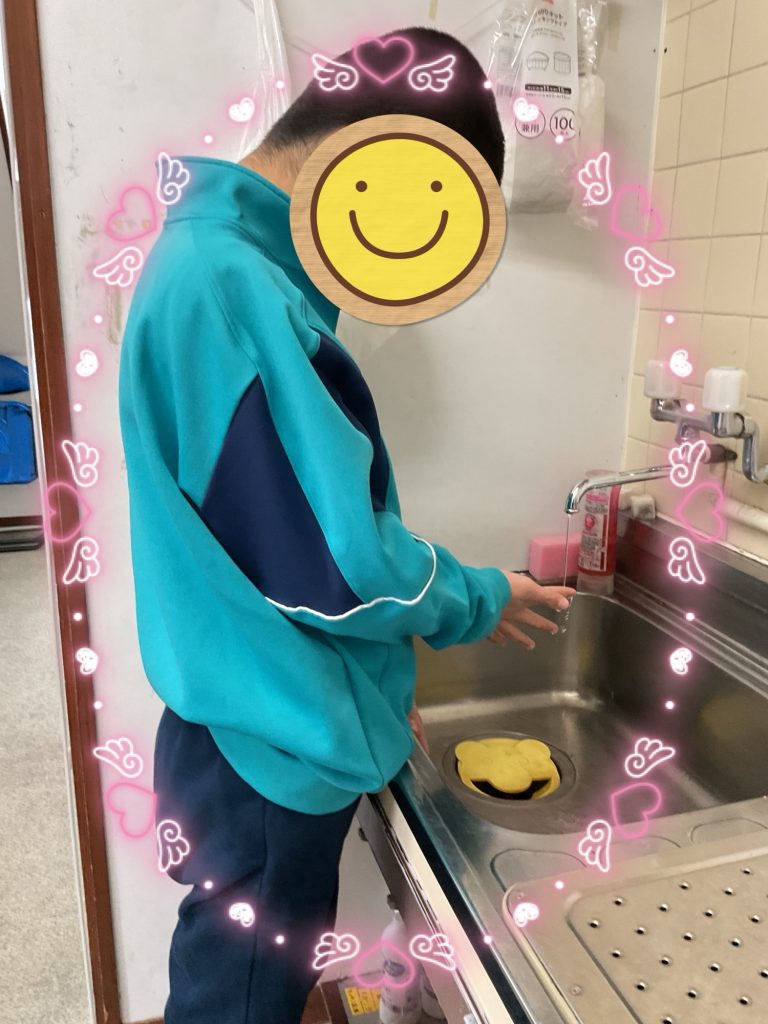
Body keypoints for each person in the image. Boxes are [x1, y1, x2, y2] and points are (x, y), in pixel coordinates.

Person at [119, 25, 573, 1024]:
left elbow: (263, 541)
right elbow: (338, 564)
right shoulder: (235, 290)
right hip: (266, 746)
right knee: (239, 1003)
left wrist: (372, 687)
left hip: (239, 719)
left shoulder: (214, 262)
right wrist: (480, 598)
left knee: (236, 986)